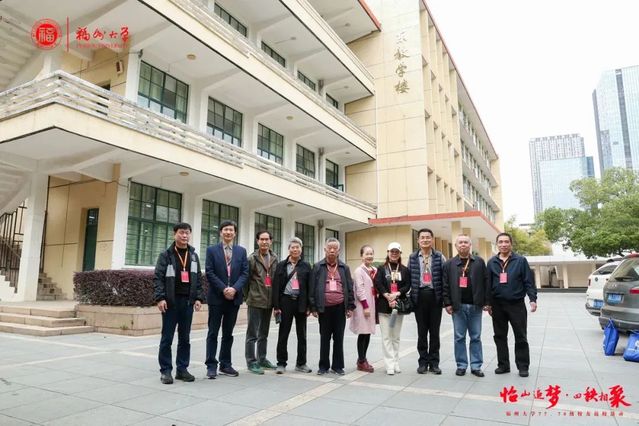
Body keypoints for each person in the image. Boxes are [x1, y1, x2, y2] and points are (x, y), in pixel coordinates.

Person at [154, 222, 204, 384]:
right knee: (167, 338)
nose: (184, 235)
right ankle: (166, 371)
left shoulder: (194, 255)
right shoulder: (166, 255)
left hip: (187, 302)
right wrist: (160, 298)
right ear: (174, 234)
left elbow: (198, 279)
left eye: (187, 233)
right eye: (181, 232)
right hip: (171, 303)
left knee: (185, 338)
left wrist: (198, 298)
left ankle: (182, 370)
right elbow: (158, 278)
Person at [487, 232, 537, 377]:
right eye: (500, 242)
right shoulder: (491, 262)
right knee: (499, 336)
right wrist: (488, 303)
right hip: (497, 305)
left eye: (506, 242)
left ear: (511, 244)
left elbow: (529, 281)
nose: (503, 244)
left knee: (520, 336)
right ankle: (503, 365)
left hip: (516, 305)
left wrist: (532, 299)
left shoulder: (520, 261)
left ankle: (523, 366)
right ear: (497, 244)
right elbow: (488, 284)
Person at [205, 220, 249, 378]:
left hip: (234, 298)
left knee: (228, 333)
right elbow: (209, 272)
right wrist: (224, 289)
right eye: (225, 229)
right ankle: (211, 365)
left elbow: (245, 273)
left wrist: (234, 289)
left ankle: (225, 364)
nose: (228, 232)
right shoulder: (211, 250)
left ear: (235, 233)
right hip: (217, 298)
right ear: (221, 232)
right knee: (213, 332)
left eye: (231, 230)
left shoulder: (241, 251)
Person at [442, 234, 490, 377]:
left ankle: (476, 366)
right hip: (458, 306)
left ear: (470, 245)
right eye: (460, 242)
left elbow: (486, 282)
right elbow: (445, 285)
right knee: (459, 337)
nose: (463, 244)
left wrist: (487, 302)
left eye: (466, 242)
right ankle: (461, 365)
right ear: (456, 246)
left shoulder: (479, 262)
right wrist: (447, 303)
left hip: (476, 306)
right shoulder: (449, 264)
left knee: (476, 337)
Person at [309, 237, 355, 375]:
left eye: (335, 248)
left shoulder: (344, 268)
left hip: (340, 308)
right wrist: (313, 307)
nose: (332, 250)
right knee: (324, 338)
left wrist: (350, 307)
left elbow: (349, 287)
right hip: (324, 308)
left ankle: (337, 366)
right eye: (330, 248)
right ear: (325, 249)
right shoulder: (318, 267)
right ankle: (323, 366)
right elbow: (312, 288)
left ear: (339, 251)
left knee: (338, 338)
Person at [272, 237, 313, 374]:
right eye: (292, 247)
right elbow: (276, 286)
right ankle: (281, 363)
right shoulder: (281, 265)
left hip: (301, 303)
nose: (295, 249)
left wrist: (309, 306)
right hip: (286, 302)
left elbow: (310, 287)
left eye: (297, 247)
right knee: (283, 333)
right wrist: (276, 306)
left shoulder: (306, 266)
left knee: (302, 335)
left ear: (301, 249)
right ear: (289, 249)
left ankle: (301, 363)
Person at [409, 228, 446, 374]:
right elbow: (409, 277)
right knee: (422, 332)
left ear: (432, 239)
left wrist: (445, 299)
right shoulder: (413, 257)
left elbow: (445, 278)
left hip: (435, 297)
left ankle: (434, 363)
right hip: (419, 297)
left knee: (435, 332)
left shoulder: (439, 257)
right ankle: (423, 362)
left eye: (428, 237)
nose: (425, 240)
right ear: (418, 240)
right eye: (422, 237)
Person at [244, 230, 278, 374]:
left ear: (271, 241)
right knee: (252, 334)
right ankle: (251, 361)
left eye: (267, 239)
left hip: (269, 302)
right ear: (257, 241)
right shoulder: (252, 258)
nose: (264, 242)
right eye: (261, 239)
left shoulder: (274, 258)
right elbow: (246, 281)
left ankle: (262, 359)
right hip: (255, 301)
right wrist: (249, 296)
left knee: (264, 333)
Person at [374, 242, 410, 375]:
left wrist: (397, 294)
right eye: (392, 251)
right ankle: (389, 364)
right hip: (384, 306)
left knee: (395, 336)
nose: (394, 254)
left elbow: (407, 285)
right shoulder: (381, 268)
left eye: (397, 252)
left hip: (398, 307)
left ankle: (395, 362)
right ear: (388, 253)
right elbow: (378, 283)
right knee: (386, 337)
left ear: (400, 254)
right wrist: (386, 295)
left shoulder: (404, 270)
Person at [350, 245, 377, 373]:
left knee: (368, 332)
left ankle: (362, 358)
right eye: (367, 254)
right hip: (363, 306)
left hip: (372, 304)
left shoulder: (374, 270)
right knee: (363, 332)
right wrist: (366, 306)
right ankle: (361, 361)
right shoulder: (359, 271)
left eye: (371, 253)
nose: (369, 256)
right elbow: (360, 290)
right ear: (362, 256)